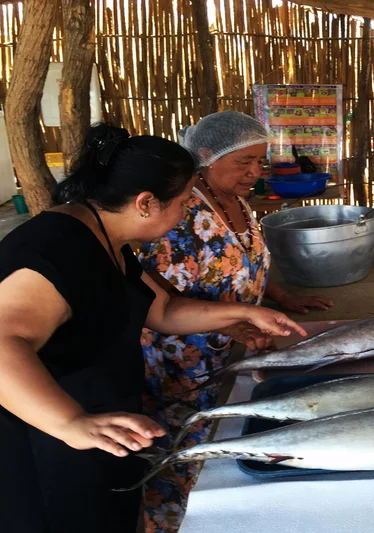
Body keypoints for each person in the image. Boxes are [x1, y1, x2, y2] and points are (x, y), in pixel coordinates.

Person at [0, 124, 305, 533]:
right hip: (48, 436)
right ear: (146, 202)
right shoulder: (57, 248)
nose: (185, 213)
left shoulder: (105, 238)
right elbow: (4, 341)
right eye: (181, 203)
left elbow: (163, 310)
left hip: (104, 424)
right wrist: (69, 422)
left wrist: (245, 315)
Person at [137, 110, 333, 533]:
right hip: (183, 357)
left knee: (225, 439)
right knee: (186, 450)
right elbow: (155, 291)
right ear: (206, 155)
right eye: (243, 162)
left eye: (259, 162)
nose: (254, 172)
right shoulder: (183, 210)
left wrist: (280, 296)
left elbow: (243, 261)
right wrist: (227, 325)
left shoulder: (237, 200)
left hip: (235, 345)